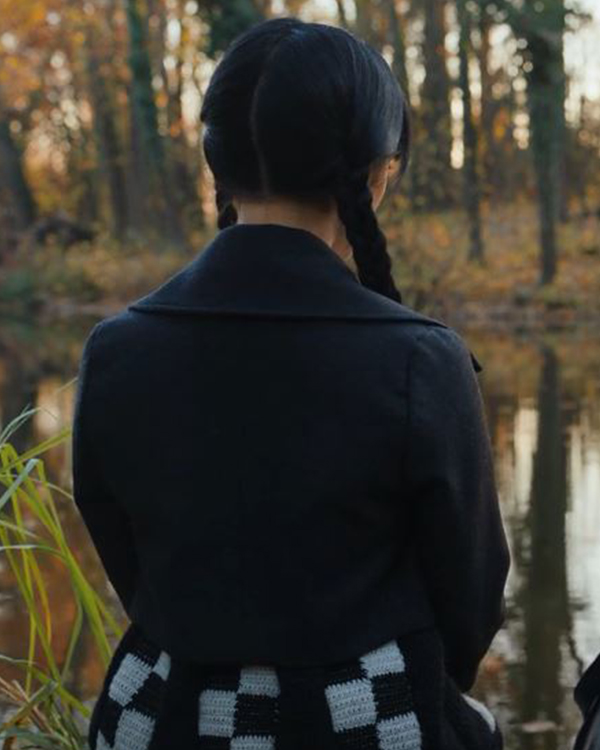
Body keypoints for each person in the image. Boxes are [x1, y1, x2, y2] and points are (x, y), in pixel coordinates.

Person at [71, 16, 511, 750]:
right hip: (367, 718)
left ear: (215, 163)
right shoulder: (419, 359)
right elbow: (471, 598)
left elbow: (126, 560)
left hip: (158, 716)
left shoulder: (114, 349)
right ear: (378, 173)